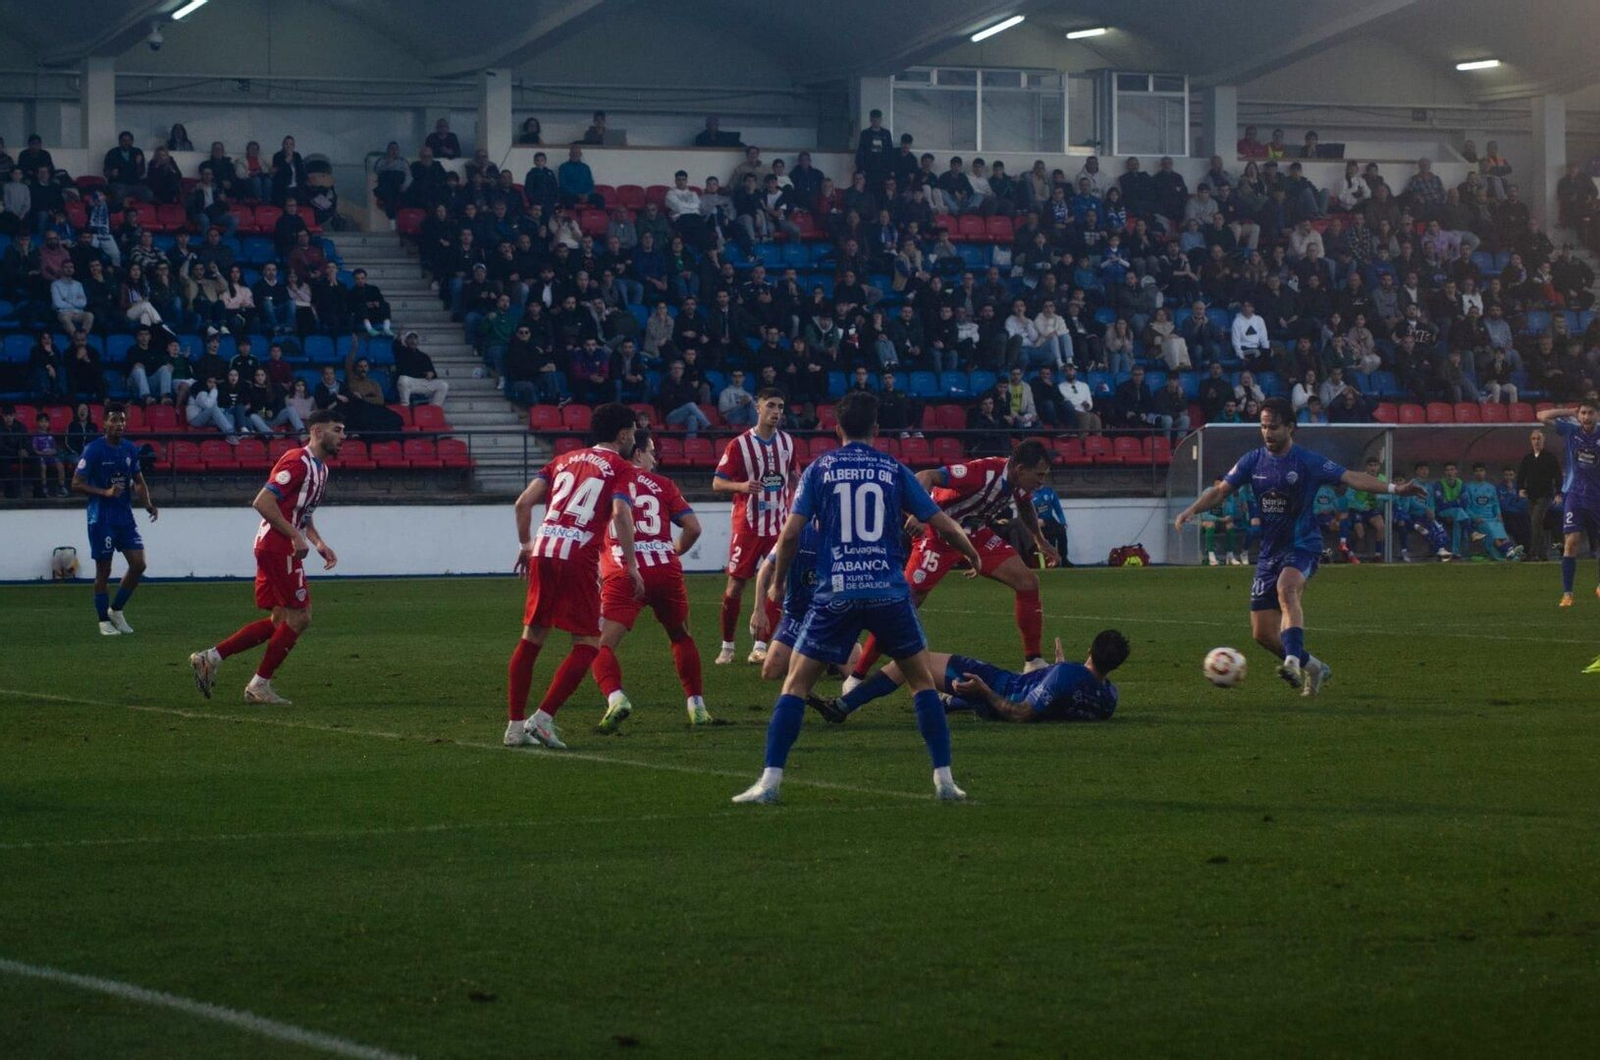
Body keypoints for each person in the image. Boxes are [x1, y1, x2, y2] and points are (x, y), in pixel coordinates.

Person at [731, 390, 984, 805]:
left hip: (836, 592)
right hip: (887, 590)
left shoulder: (820, 469)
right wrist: (971, 554)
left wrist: (776, 584)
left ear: (837, 428)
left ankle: (769, 783)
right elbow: (941, 522)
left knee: (794, 684)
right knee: (920, 683)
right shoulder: (892, 467)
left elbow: (792, 533)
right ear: (877, 430)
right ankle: (944, 780)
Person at [1174, 398, 1424, 696]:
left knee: (1287, 588)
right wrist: (1192, 510)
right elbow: (1220, 491)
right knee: (1263, 634)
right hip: (1269, 553)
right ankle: (1315, 667)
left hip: (1304, 544)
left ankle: (1292, 661)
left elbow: (1351, 477)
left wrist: (1395, 489)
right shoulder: (1252, 461)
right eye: (1263, 426)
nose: (1267, 432)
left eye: (1274, 427)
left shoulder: (1308, 461)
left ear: (1290, 427)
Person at [845, 439, 1059, 687]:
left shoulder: (1019, 483)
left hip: (976, 534)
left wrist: (1039, 539)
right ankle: (857, 676)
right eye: (1039, 474)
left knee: (1028, 582)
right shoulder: (981, 473)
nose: (1042, 480)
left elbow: (1025, 506)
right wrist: (919, 514)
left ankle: (1033, 661)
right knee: (903, 605)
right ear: (1021, 469)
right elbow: (926, 475)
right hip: (938, 535)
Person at [504, 403, 642, 749]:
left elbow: (523, 503)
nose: (635, 437)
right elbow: (621, 512)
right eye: (634, 431)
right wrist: (630, 563)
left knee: (532, 637)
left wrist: (525, 544)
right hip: (578, 554)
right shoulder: (620, 467)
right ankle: (543, 718)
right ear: (624, 433)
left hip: (544, 549)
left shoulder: (562, 459)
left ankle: (515, 727)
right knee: (588, 643)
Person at [188, 410, 344, 705]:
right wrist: (294, 537)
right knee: (301, 617)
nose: (343, 436)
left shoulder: (321, 469)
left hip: (275, 544)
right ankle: (258, 686)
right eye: (337, 429)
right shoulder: (297, 461)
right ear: (318, 431)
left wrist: (318, 542)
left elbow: (302, 513)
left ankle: (211, 658)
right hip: (277, 545)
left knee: (280, 619)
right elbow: (262, 502)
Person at [588, 430, 712, 732]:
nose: (655, 458)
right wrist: (672, 551)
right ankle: (697, 706)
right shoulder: (663, 485)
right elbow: (693, 528)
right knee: (681, 637)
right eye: (651, 451)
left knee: (598, 646)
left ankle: (616, 698)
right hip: (665, 570)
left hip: (624, 573)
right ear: (638, 453)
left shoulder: (607, 483)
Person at [815, 629, 1128, 725]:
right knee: (919, 671)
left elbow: (1020, 712)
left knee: (907, 663)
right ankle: (952, 703)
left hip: (998, 686)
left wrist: (982, 692)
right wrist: (1054, 672)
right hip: (1006, 692)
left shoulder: (1066, 675)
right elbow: (1064, 701)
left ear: (1090, 648)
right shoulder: (1109, 700)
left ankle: (842, 707)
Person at [711, 388, 798, 665]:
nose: (776, 411)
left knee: (777, 584)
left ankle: (760, 645)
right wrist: (741, 486)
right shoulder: (739, 445)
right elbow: (717, 482)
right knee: (736, 585)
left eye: (780, 406)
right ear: (758, 408)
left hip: (779, 526)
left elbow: (794, 477)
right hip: (748, 526)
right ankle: (727, 645)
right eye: (770, 405)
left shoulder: (788, 443)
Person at [69, 403, 159, 636]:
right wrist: (103, 492)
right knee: (104, 570)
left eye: (122, 420)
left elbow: (138, 480)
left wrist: (148, 503)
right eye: (114, 420)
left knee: (139, 564)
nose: (119, 424)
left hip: (124, 516)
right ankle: (102, 621)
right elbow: (76, 483)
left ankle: (116, 610)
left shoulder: (129, 449)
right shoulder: (94, 450)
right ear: (104, 423)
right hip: (101, 518)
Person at [1540, 401, 1600, 608]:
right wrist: (1568, 412)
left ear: (1597, 415)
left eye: (1590, 413)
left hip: (1598, 495)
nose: (1586, 417)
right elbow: (1542, 415)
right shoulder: (1571, 430)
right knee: (1571, 542)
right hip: (1574, 494)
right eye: (1583, 413)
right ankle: (1568, 593)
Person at [1393, 461, 1454, 563]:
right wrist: (1426, 508)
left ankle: (1441, 550)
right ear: (1416, 471)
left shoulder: (1429, 486)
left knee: (1439, 527)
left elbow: (1431, 502)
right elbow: (1412, 502)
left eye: (1426, 469)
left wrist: (1432, 511)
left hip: (1427, 514)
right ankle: (1439, 551)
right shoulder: (1412, 484)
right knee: (1427, 527)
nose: (1424, 471)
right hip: (1415, 515)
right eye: (1421, 469)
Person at [1517, 427, 1562, 561]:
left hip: (1545, 495)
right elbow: (1521, 475)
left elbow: (1558, 476)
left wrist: (1558, 493)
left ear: (1543, 440)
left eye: (1539, 439)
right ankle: (1541, 553)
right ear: (1530, 441)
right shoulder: (1527, 458)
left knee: (1536, 521)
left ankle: (1533, 552)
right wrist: (1520, 488)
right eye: (1534, 439)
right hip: (1531, 495)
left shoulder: (1550, 457)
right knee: (1535, 523)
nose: (1536, 441)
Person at [1462, 462, 1523, 560]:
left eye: (1481, 471)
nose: (1479, 473)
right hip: (1480, 519)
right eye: (1476, 471)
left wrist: (1498, 514)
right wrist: (1474, 517)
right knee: (1491, 534)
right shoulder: (1468, 487)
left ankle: (1510, 553)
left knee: (1502, 533)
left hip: (1493, 518)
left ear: (1485, 472)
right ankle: (1507, 552)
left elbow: (1495, 504)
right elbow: (1466, 507)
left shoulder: (1491, 487)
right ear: (1473, 474)